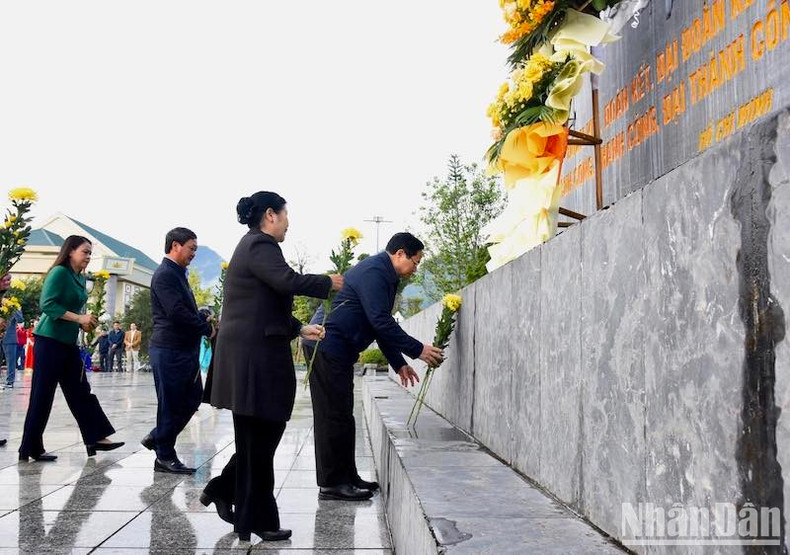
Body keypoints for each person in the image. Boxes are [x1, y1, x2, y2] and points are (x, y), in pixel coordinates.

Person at [203, 191, 341, 542]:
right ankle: (256, 518)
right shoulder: (260, 246)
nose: (288, 224)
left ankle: (231, 498)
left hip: (251, 358)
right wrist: (328, 282)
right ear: (270, 215)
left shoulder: (252, 247)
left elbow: (264, 304)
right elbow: (288, 282)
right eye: (285, 216)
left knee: (258, 442)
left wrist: (298, 328)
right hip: (253, 363)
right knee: (258, 442)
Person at [304, 232, 443, 500]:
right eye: (416, 261)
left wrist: (399, 363)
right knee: (332, 416)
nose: (416, 269)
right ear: (400, 253)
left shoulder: (385, 275)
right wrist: (418, 350)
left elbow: (377, 324)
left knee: (343, 414)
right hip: (325, 346)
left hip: (339, 350)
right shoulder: (376, 272)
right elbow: (380, 321)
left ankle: (348, 476)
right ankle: (332, 483)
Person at [18, 235, 124, 461]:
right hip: (49, 342)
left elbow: (75, 312)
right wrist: (78, 318)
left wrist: (85, 324)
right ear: (70, 252)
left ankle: (95, 436)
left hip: (67, 343)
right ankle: (29, 448)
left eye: (89, 253)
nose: (88, 256)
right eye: (85, 252)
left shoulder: (78, 276)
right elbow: (47, 304)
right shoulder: (59, 273)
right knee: (42, 396)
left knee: (80, 391)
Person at [141, 227, 215, 474]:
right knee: (171, 403)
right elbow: (175, 312)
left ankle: (157, 436)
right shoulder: (165, 274)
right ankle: (164, 455)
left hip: (184, 349)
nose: (194, 253)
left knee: (193, 398)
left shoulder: (179, 273)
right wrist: (205, 328)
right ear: (175, 245)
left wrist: (202, 316)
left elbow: (185, 310)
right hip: (169, 349)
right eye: (191, 248)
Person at [2, 301, 23, 389]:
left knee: (10, 361)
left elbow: (20, 320)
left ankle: (10, 381)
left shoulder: (13, 307)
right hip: (1, 337)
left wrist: (14, 307)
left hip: (9, 338)